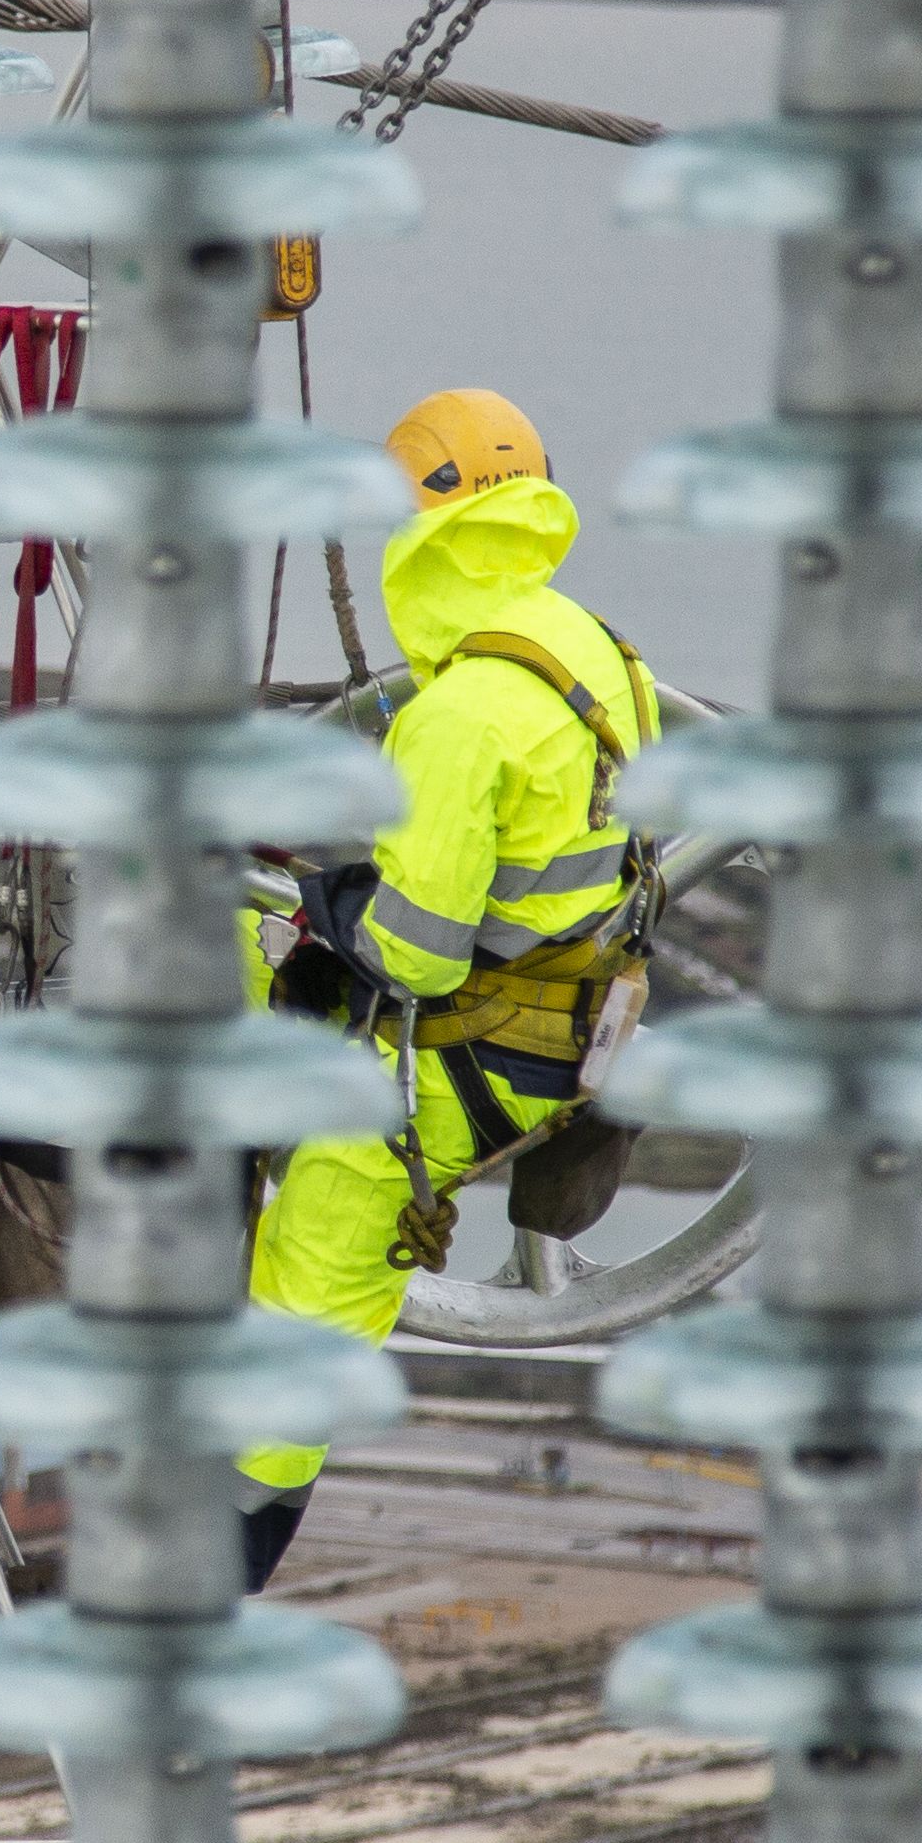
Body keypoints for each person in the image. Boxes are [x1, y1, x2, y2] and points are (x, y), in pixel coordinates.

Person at [244, 387, 662, 1588]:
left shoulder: (460, 716)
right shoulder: (590, 647)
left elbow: (419, 953)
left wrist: (325, 900)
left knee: (306, 1307)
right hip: (568, 1026)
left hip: (452, 1067)